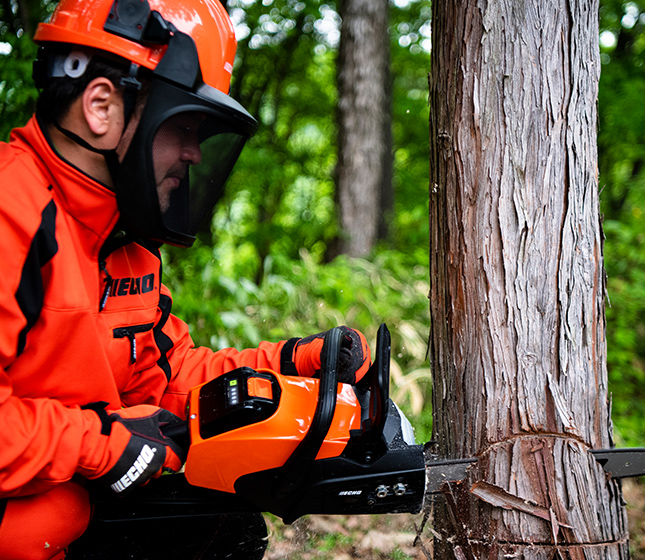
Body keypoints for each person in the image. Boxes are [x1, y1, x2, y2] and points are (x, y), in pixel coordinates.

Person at [0, 0, 372, 558]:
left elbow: (164, 385)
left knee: (216, 524)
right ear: (102, 105)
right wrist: (100, 444)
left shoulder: (121, 245)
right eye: (184, 125)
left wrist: (290, 363)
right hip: (36, 508)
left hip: (71, 497)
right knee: (42, 520)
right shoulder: (12, 212)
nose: (195, 152)